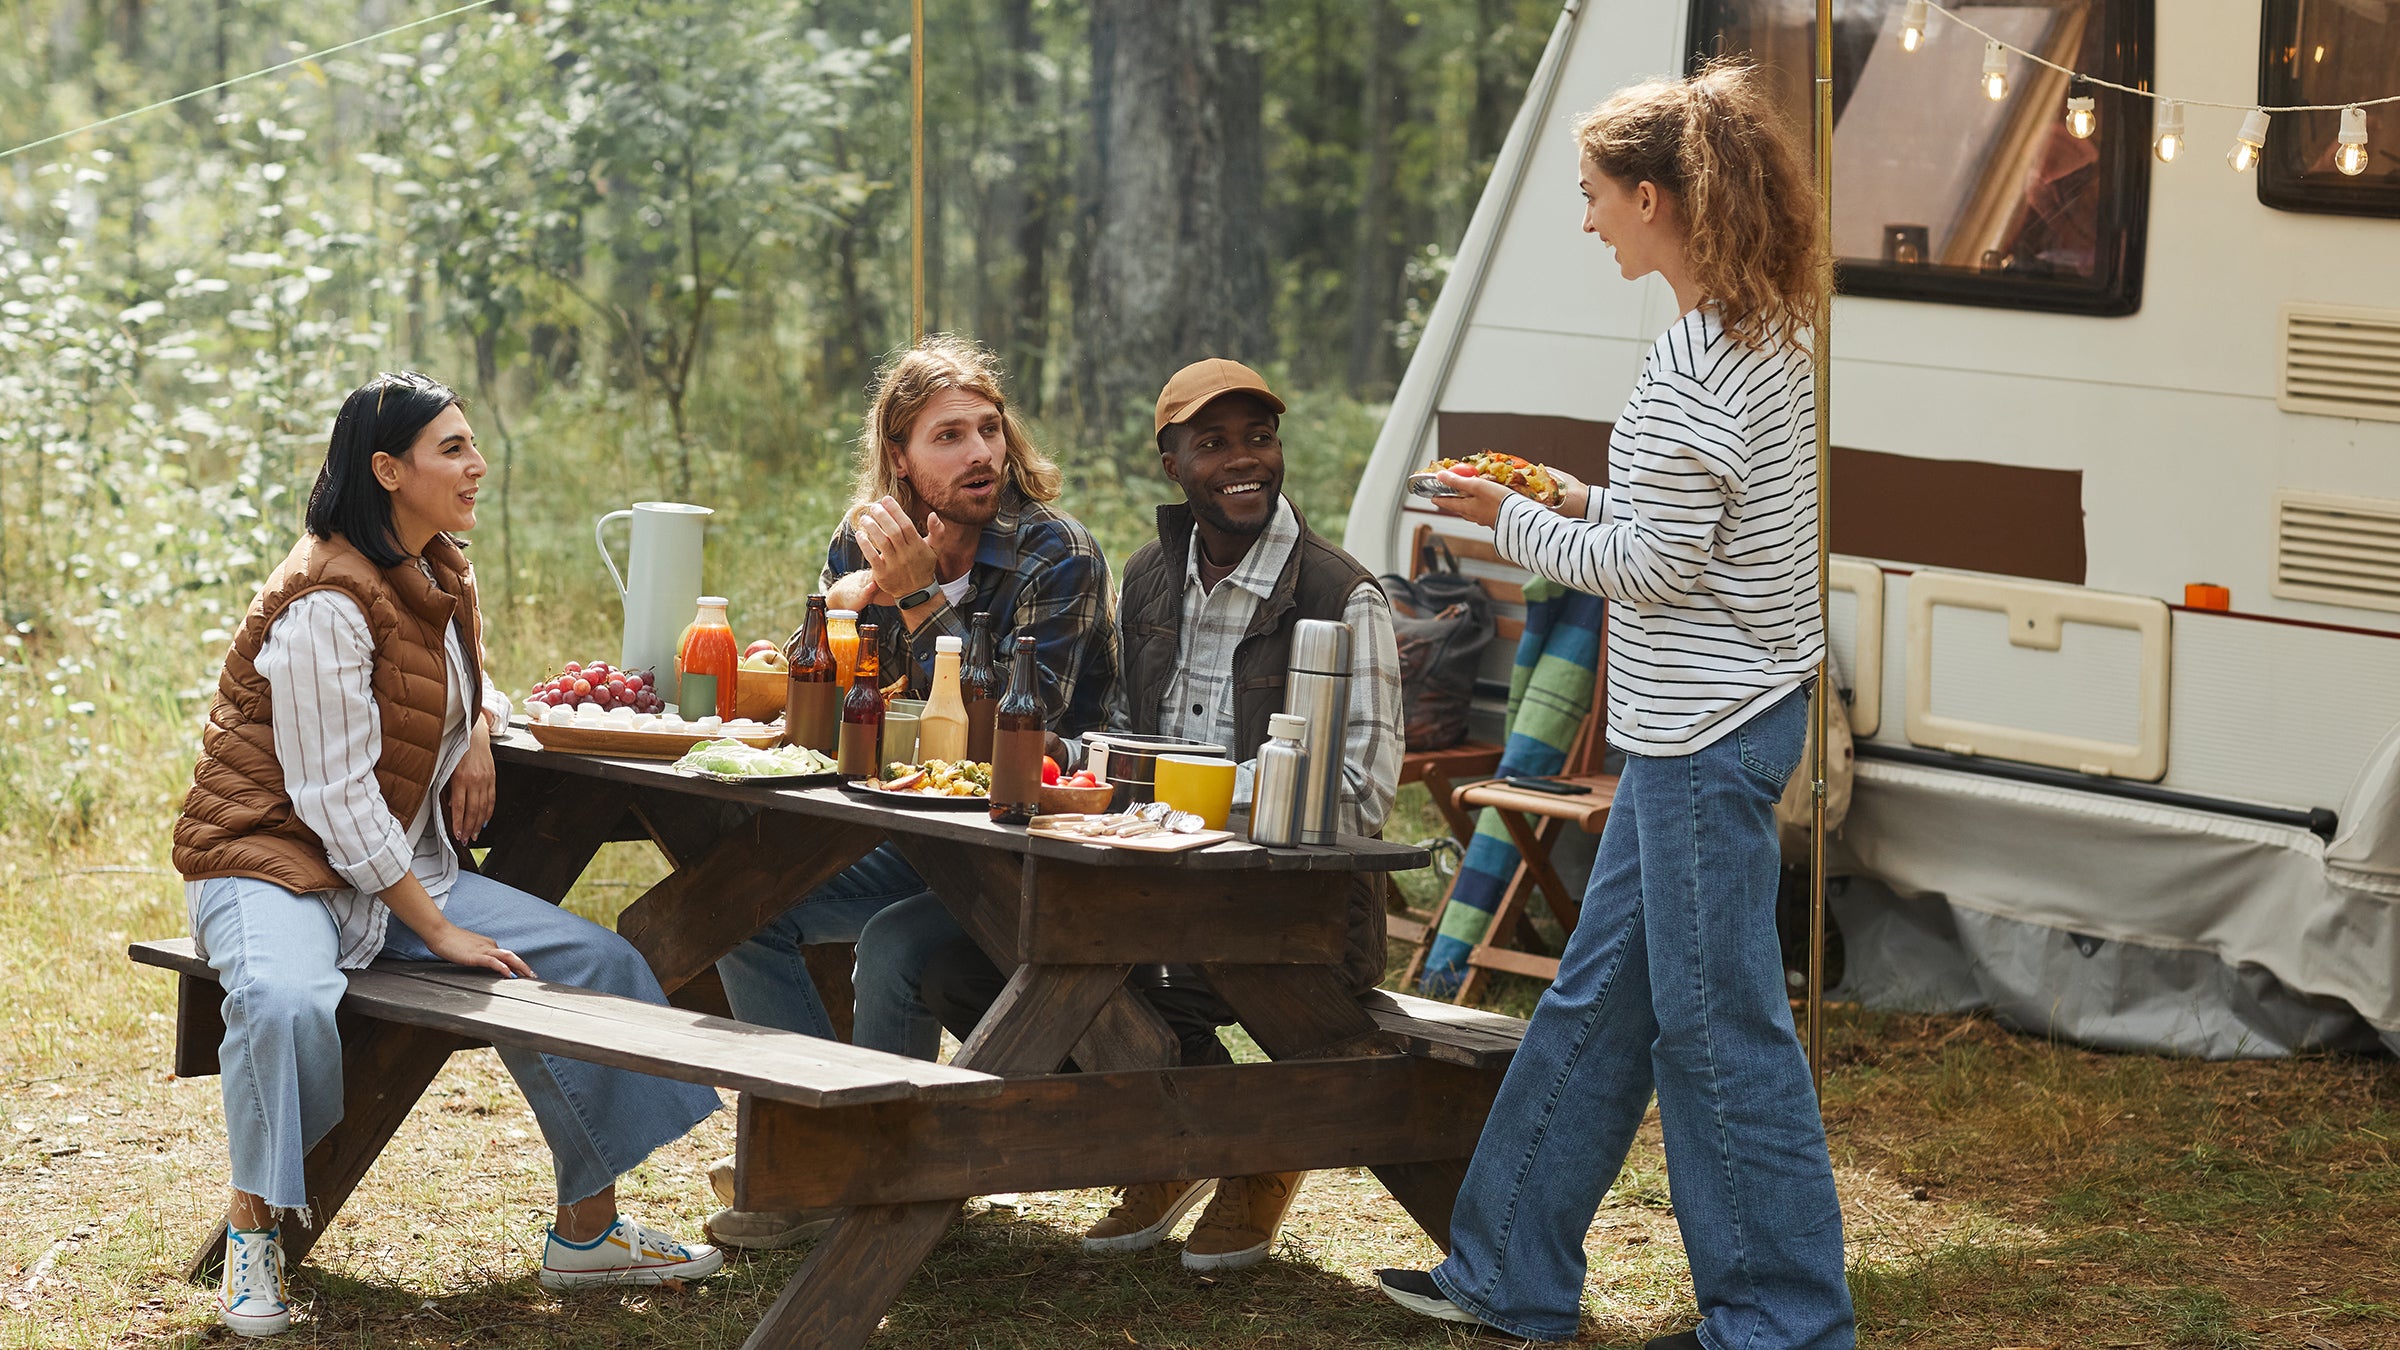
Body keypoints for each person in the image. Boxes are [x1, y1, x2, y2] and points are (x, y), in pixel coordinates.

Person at [1371, 63, 1854, 1349]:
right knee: (1598, 1002)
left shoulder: (1702, 359)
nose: (1585, 221)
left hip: (1704, 731)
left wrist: (1518, 521)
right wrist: (1572, 497)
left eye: (1592, 197)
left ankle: (1783, 1322)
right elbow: (1681, 526)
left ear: (1652, 198)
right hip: (1713, 715)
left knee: (1716, 1032)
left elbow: (1657, 568)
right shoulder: (1760, 333)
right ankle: (1507, 1271)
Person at [171, 372, 723, 1338]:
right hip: (270, 864)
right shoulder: (321, 602)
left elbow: (458, 679)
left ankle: (587, 1236)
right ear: (388, 471)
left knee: (595, 963)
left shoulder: (437, 570)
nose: (477, 465)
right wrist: (442, 928)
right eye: (453, 450)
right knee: (282, 1000)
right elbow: (334, 802)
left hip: (393, 873)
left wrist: (477, 729)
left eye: (472, 444)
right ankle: (257, 1233)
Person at [915, 357, 1404, 1272]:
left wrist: (1203, 801)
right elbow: (1124, 740)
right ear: (1172, 464)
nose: (1241, 459)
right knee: (960, 959)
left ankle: (1257, 1152)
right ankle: (1183, 1126)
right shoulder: (1147, 576)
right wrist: (1091, 781)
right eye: (1211, 443)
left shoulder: (1341, 596)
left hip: (1291, 912)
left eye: (1259, 437)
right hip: (1148, 897)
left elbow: (1363, 795)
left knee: (1050, 966)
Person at [705, 335, 1118, 1249]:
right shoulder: (866, 537)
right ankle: (825, 1157)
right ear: (899, 456)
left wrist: (926, 604)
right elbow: (833, 694)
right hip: (916, 831)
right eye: (947, 437)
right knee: (741, 904)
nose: (979, 453)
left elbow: (1019, 738)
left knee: (896, 942)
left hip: (1032, 844)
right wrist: (840, 610)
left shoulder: (1059, 556)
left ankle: (879, 1190)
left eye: (988, 430)